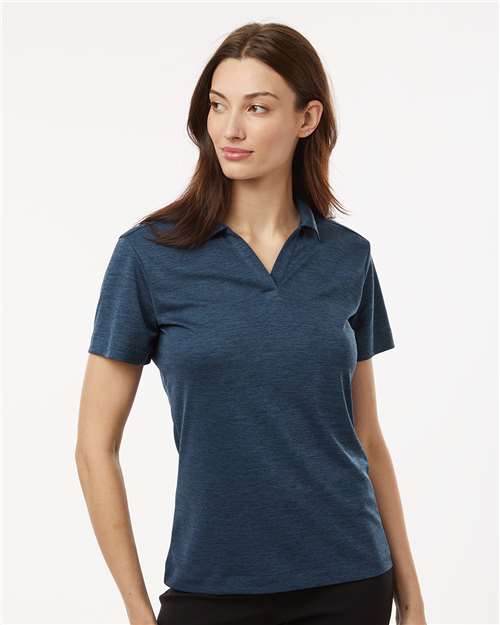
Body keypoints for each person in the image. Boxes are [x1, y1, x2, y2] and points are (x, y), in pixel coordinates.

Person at [76, 21, 427, 625]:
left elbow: (367, 437)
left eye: (256, 108)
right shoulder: (148, 256)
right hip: (210, 588)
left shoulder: (347, 257)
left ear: (307, 118)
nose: (229, 129)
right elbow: (94, 447)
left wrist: (412, 597)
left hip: (351, 581)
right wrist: (137, 609)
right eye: (218, 105)